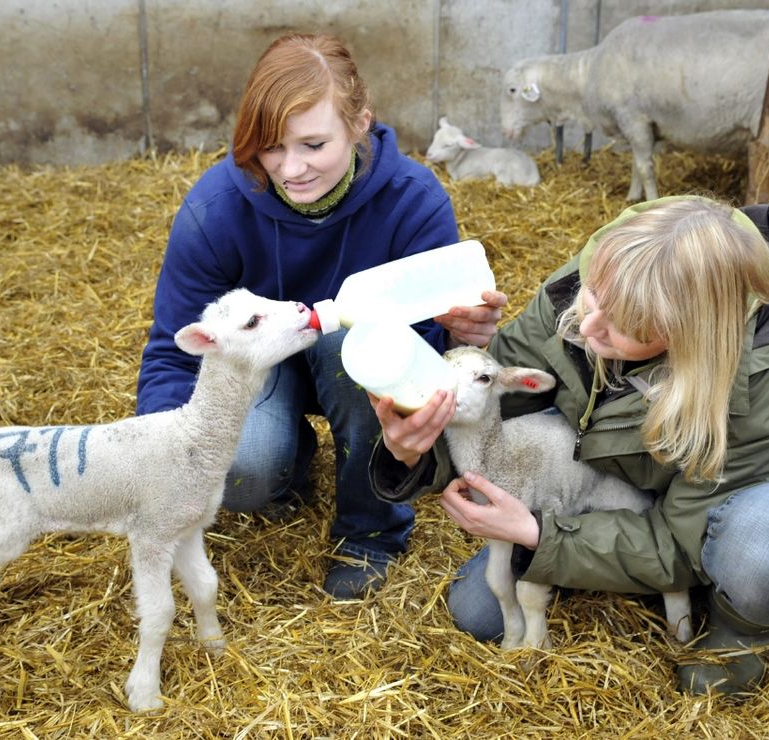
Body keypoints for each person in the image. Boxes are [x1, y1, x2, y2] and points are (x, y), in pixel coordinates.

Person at [368, 196, 769, 695]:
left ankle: (744, 618)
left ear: (692, 333)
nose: (589, 324)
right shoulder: (610, 277)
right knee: (480, 613)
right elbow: (497, 407)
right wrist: (415, 447)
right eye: (594, 294)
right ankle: (639, 568)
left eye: (627, 324)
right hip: (639, 491)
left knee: (754, 550)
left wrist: (539, 534)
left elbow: (680, 541)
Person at [136, 33, 502, 599]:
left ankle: (371, 530)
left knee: (358, 341)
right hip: (265, 364)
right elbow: (172, 349)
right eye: (270, 147)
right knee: (245, 469)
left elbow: (424, 348)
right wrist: (165, 463)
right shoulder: (216, 211)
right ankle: (286, 467)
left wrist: (457, 331)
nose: (290, 168)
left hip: (363, 369)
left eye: (312, 144)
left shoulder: (413, 200)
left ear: (360, 122)